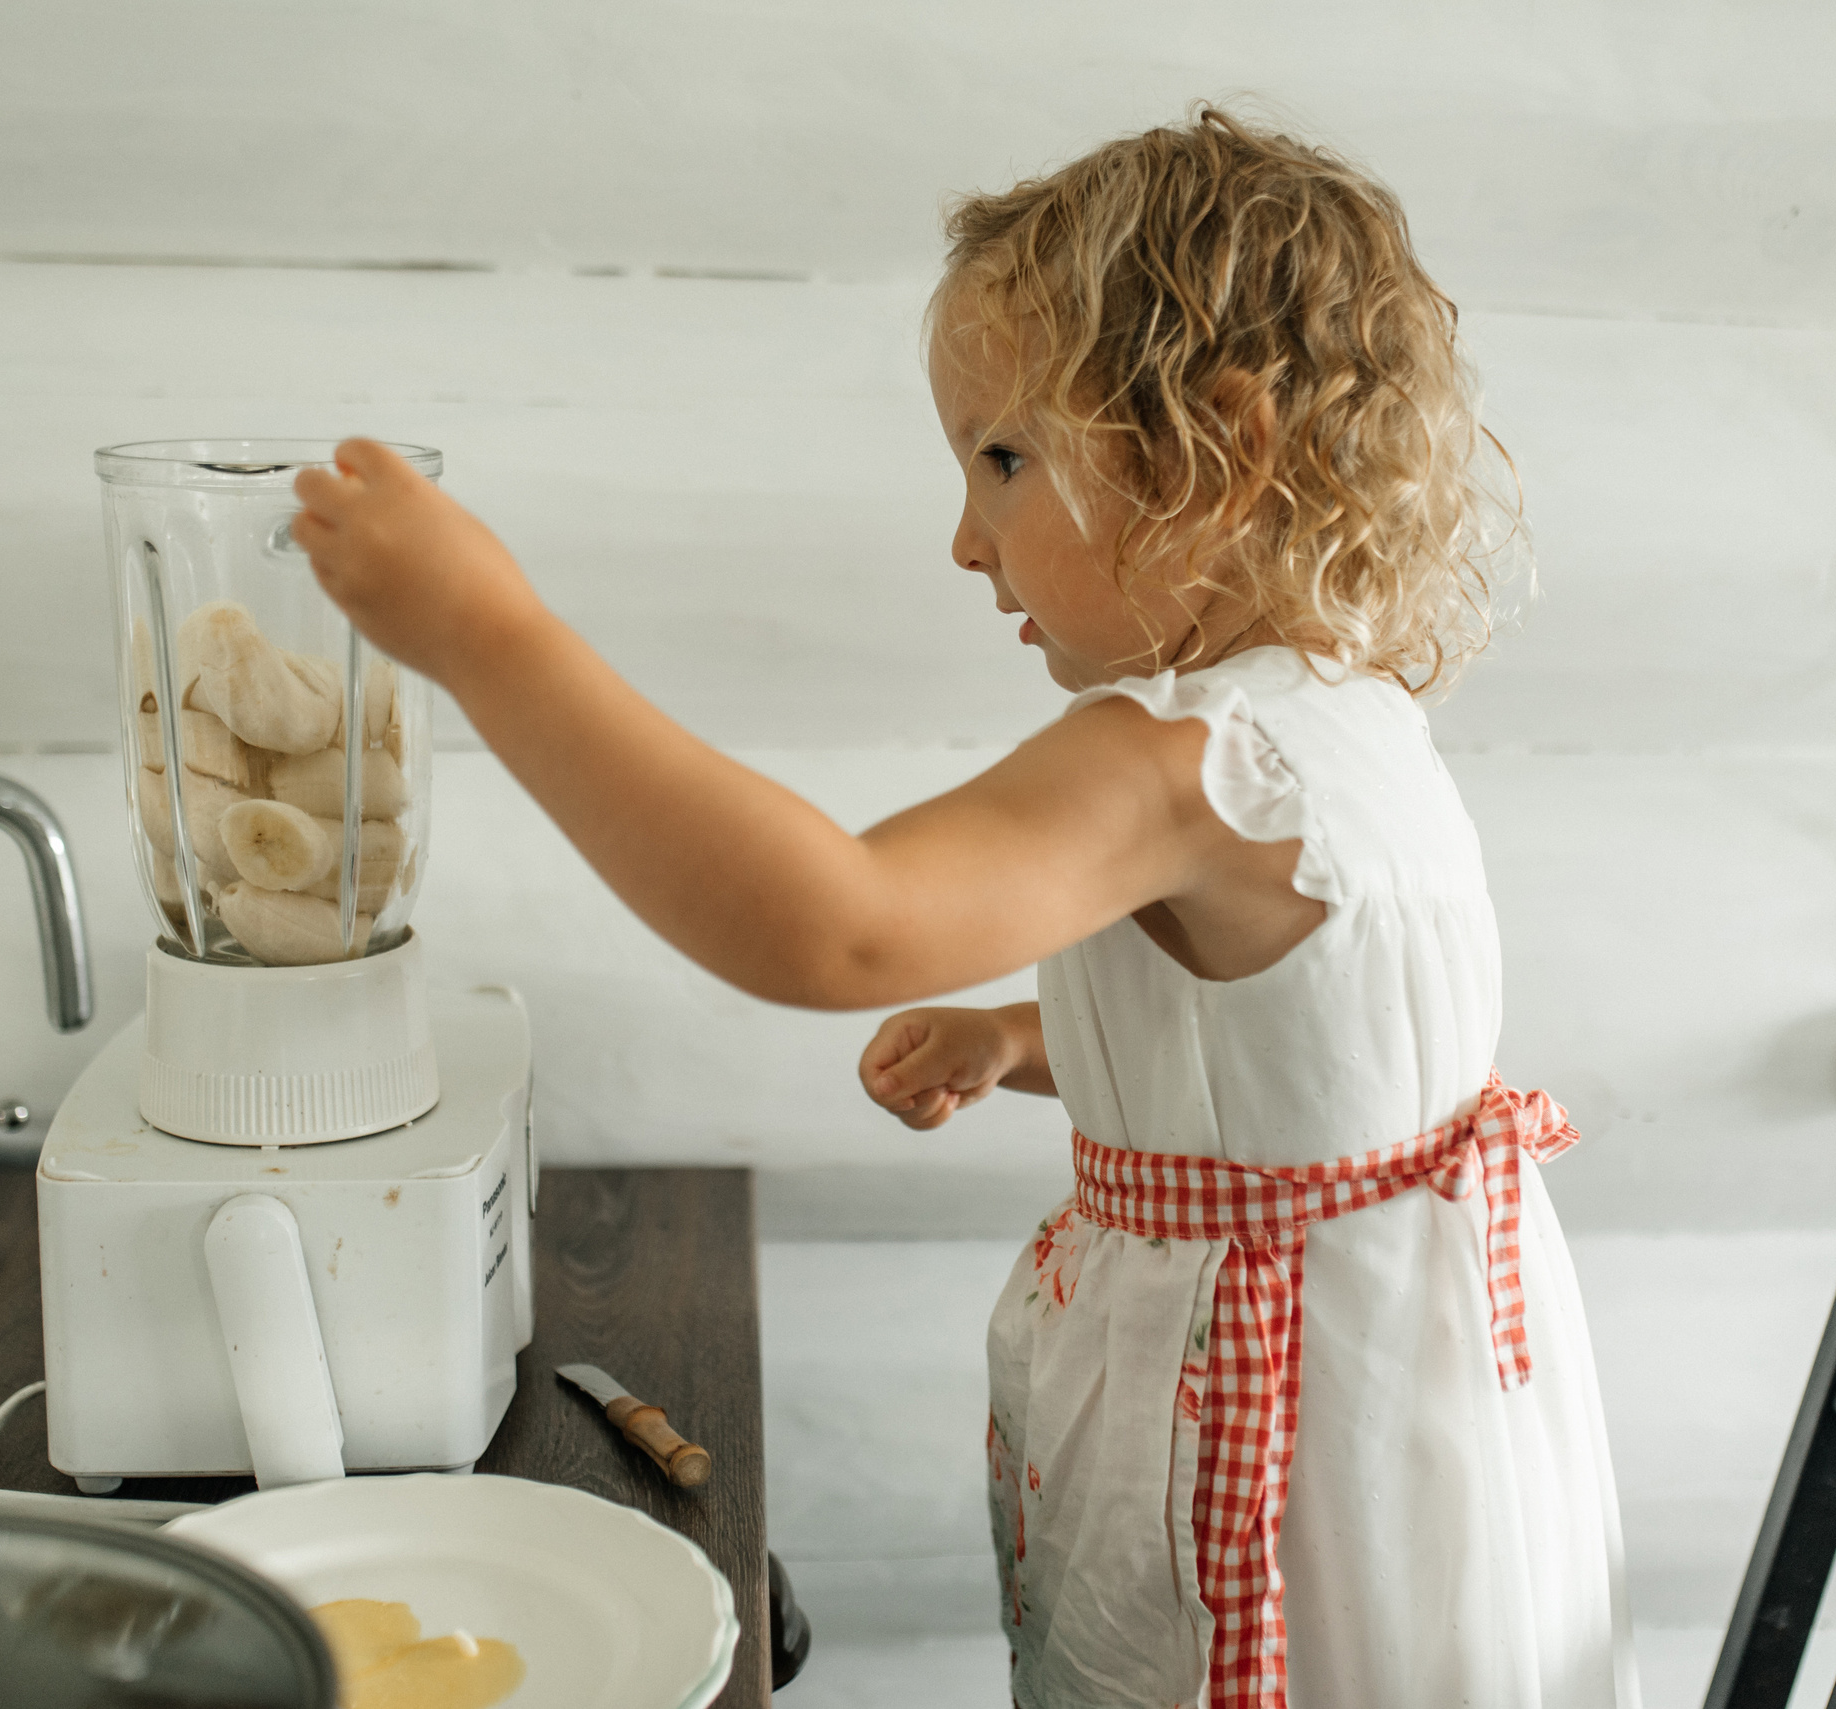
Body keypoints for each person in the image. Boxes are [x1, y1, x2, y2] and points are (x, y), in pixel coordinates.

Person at [293, 106, 1634, 1709]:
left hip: (1291, 1460)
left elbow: (834, 925)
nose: (964, 534)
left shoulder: (1187, 763)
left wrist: (489, 636)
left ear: (1222, 448)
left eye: (1006, 460)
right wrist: (1027, 1035)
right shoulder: (1348, 719)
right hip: (1419, 1424)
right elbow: (1315, 1074)